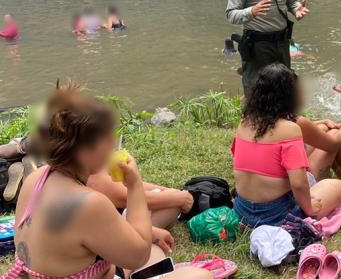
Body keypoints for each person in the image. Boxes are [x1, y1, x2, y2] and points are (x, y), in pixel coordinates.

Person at [2, 85, 210, 279]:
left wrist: (152, 233)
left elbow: (71, 237)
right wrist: (134, 186)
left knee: (156, 249)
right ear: (84, 151)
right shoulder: (89, 203)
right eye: (108, 138)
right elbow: (139, 255)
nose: (113, 144)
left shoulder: (36, 178)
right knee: (200, 276)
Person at [231, 64, 341, 228]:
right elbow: (298, 184)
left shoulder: (244, 123)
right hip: (276, 215)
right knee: (337, 186)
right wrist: (309, 208)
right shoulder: (290, 129)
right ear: (290, 95)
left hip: (241, 211)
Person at [87, 171, 194, 230]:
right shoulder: (91, 173)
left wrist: (171, 192)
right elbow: (127, 197)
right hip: (110, 237)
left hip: (112, 224)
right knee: (171, 206)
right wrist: (180, 198)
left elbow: (133, 187)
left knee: (172, 199)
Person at [295, 116, 341, 185]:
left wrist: (324, 121)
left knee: (323, 127)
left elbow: (302, 125)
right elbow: (334, 144)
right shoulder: (298, 120)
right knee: (335, 133)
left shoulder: (286, 119)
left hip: (290, 172)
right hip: (300, 180)